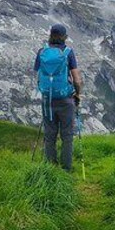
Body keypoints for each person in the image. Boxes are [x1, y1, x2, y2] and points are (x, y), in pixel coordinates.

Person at [34, 23, 83, 171]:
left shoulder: (42, 52)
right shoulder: (68, 52)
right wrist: (78, 93)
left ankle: (50, 167)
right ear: (64, 37)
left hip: (47, 100)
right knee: (67, 135)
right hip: (65, 99)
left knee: (50, 135)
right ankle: (66, 169)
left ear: (50, 35)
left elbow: (38, 72)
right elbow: (77, 79)